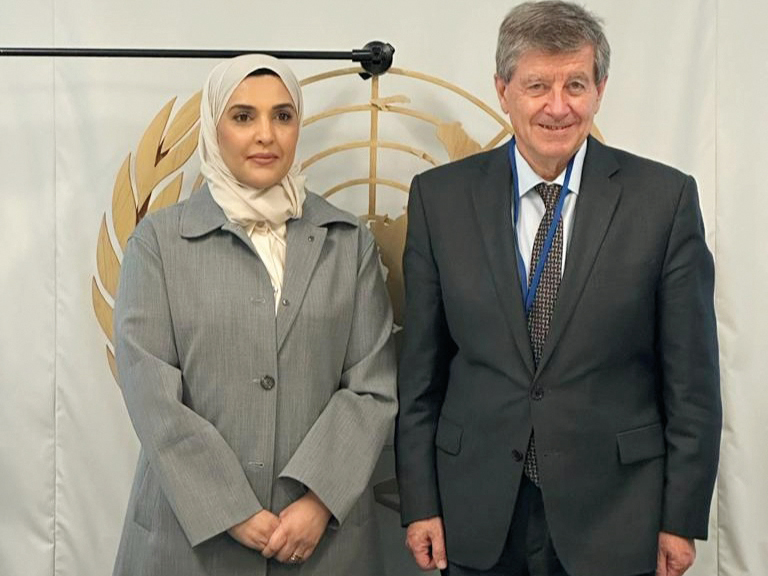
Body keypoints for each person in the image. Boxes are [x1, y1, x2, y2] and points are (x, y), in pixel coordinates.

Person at [395, 2, 721, 576]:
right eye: (537, 85)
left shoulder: (663, 201)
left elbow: (692, 381)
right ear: (502, 90)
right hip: (476, 510)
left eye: (575, 84)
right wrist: (419, 503)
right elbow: (420, 375)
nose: (557, 106)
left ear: (599, 90)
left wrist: (682, 515)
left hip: (619, 514)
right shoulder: (438, 199)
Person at [112, 54, 397, 576]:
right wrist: (231, 510)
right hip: (188, 543)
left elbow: (371, 387)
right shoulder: (158, 242)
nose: (266, 134)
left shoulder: (348, 241)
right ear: (214, 128)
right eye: (243, 116)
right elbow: (149, 388)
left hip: (320, 542)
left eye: (283, 116)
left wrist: (319, 501)